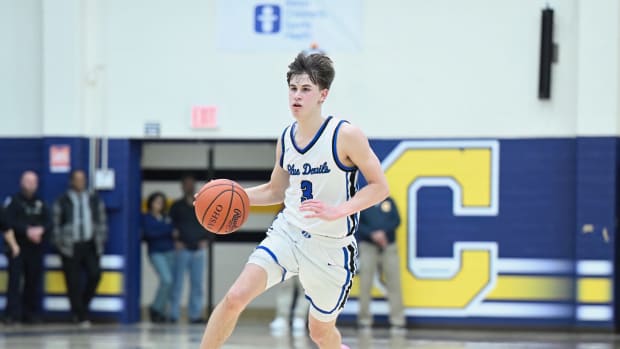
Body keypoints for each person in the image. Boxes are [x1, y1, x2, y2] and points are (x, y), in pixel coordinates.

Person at [199, 52, 389, 349]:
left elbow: (380, 187)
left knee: (320, 333)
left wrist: (338, 210)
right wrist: (230, 196)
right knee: (235, 297)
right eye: (292, 88)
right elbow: (276, 191)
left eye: (305, 90)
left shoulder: (345, 135)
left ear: (323, 95)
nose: (296, 96)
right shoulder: (286, 138)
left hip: (330, 246)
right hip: (288, 233)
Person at [51, 169, 108, 325]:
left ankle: (82, 307)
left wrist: (100, 240)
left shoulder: (93, 199)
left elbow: (102, 221)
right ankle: (80, 315)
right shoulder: (63, 200)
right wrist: (60, 244)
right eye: (77, 179)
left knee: (95, 275)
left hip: (89, 243)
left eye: (82, 179)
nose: (80, 182)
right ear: (71, 181)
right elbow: (55, 224)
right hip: (70, 245)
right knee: (73, 282)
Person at [3, 171, 52, 324]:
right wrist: (26, 231)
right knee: (15, 281)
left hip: (35, 248)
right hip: (17, 247)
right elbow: (7, 224)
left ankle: (29, 314)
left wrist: (41, 230)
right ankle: (11, 314)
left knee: (33, 281)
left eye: (33, 182)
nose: (31, 185)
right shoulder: (13, 201)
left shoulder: (40, 203)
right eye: (28, 181)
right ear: (21, 182)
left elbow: (49, 222)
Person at [356, 196, 406, 334]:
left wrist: (383, 233)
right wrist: (373, 234)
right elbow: (358, 223)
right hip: (368, 246)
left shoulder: (389, 202)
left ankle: (398, 321)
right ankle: (364, 320)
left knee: (394, 283)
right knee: (365, 284)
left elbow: (396, 220)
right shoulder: (364, 202)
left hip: (388, 246)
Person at [169, 174, 211, 323]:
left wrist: (206, 240)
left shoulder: (202, 204)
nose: (189, 186)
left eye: (191, 183)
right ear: (182, 186)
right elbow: (170, 226)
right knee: (177, 283)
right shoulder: (176, 206)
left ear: (195, 185)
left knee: (198, 285)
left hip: (199, 250)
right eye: (186, 184)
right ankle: (173, 315)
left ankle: (195, 315)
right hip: (182, 249)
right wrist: (175, 240)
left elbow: (211, 223)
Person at [142, 191, 176, 323]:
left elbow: (173, 230)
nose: (159, 205)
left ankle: (161, 312)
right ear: (151, 203)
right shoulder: (146, 217)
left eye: (161, 203)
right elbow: (149, 233)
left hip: (170, 251)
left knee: (169, 282)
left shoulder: (166, 217)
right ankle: (155, 308)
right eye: (157, 202)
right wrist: (166, 230)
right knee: (166, 279)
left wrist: (162, 230)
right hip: (156, 252)